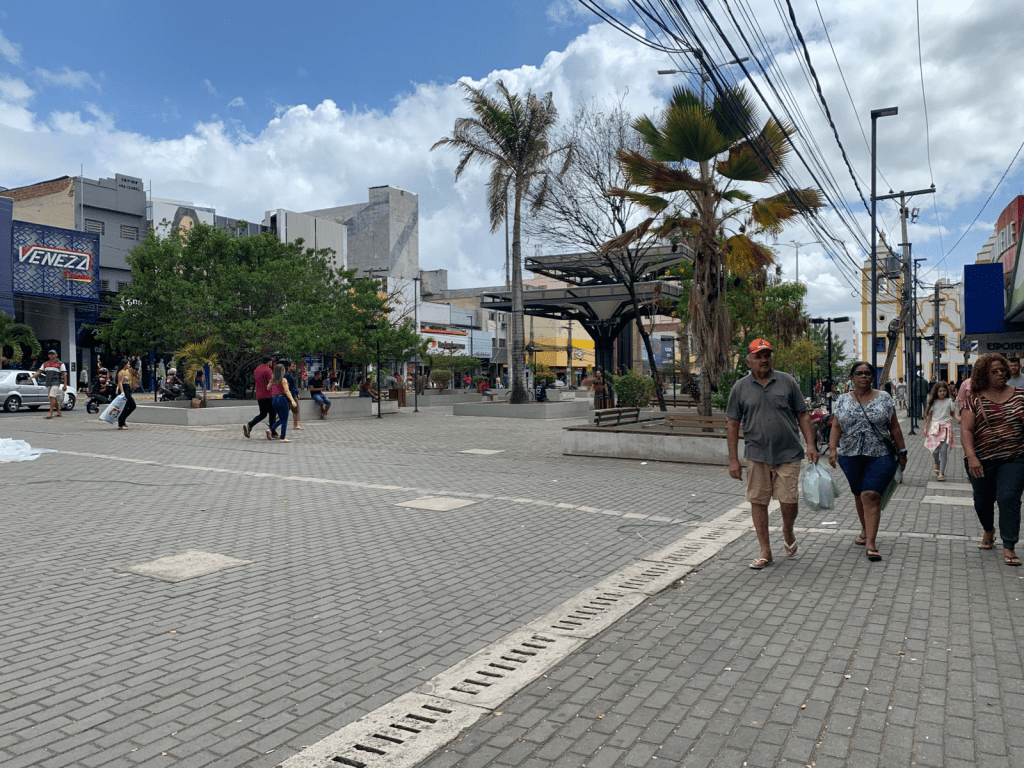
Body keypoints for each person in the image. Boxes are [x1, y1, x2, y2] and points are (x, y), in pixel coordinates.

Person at [727, 338, 819, 570]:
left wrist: (811, 445)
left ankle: (787, 528)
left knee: (789, 500)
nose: (764, 360)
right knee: (758, 501)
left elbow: (802, 415)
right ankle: (765, 550)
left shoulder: (787, 381)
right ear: (748, 362)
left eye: (767, 355)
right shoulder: (740, 388)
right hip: (756, 453)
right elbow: (733, 423)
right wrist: (733, 460)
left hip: (788, 452)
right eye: (758, 356)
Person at [828, 361, 908, 562]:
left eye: (867, 373)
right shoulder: (843, 400)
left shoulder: (884, 398)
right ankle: (865, 529)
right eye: (859, 373)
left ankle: (871, 542)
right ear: (852, 377)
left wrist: (902, 451)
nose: (863, 376)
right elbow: (836, 426)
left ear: (872, 377)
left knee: (870, 495)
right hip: (850, 455)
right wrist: (832, 449)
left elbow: (894, 426)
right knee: (859, 494)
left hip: (881, 454)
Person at [960, 353, 1024, 564]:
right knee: (982, 502)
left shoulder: (1020, 396)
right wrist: (972, 457)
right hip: (982, 459)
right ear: (983, 374)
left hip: (1014, 457)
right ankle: (989, 529)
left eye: (1002, 369)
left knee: (1009, 498)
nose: (1000, 374)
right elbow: (966, 430)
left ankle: (1009, 546)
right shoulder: (973, 397)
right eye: (994, 371)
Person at [923, 381, 959, 481]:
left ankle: (941, 473)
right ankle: (936, 462)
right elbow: (929, 415)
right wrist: (926, 427)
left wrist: (959, 419)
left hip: (946, 427)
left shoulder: (949, 401)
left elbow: (952, 413)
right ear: (936, 392)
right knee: (935, 451)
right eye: (940, 391)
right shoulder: (933, 402)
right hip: (935, 427)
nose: (942, 393)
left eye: (944, 391)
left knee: (943, 450)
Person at [30, 350, 69, 419]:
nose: (51, 355)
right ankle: (58, 411)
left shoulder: (60, 364)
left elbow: (64, 374)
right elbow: (39, 372)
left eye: (52, 354)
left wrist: (65, 384)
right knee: (53, 398)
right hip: (48, 382)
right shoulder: (45, 364)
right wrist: (32, 377)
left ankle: (50, 413)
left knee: (52, 396)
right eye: (50, 354)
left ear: (56, 355)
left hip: (56, 382)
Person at [243, 355, 275, 438]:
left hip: (259, 395)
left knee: (263, 414)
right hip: (268, 395)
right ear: (268, 362)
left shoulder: (257, 369)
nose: (271, 363)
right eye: (271, 361)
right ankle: (272, 431)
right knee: (272, 413)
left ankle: (250, 425)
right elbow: (271, 382)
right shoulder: (268, 370)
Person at [266, 363, 298, 443]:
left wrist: (271, 382)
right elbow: (287, 391)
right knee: (284, 419)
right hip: (282, 399)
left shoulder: (273, 380)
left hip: (274, 399)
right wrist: (292, 400)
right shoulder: (283, 380)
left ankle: (270, 429)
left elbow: (268, 388)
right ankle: (282, 437)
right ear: (282, 371)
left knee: (281, 418)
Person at [114, 358, 140, 430]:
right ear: (124, 365)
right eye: (128, 364)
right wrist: (122, 392)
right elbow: (120, 382)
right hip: (124, 389)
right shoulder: (121, 372)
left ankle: (122, 419)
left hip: (128, 389)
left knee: (132, 406)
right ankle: (121, 423)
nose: (129, 365)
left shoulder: (127, 372)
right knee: (125, 406)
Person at [285, 359, 302, 431]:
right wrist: (293, 396)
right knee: (295, 410)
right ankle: (295, 425)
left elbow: (293, 387)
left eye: (295, 366)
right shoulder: (288, 375)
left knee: (292, 410)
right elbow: (289, 387)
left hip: (292, 394)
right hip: (291, 395)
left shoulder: (291, 375)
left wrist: (296, 394)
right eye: (293, 366)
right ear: (288, 367)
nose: (294, 368)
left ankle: (295, 424)